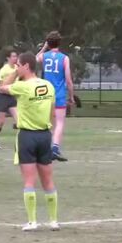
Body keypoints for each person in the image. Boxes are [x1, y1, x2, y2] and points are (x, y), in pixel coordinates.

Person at [0, 51, 59, 231]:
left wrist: (15, 74)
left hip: (27, 136)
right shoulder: (48, 85)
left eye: (19, 65)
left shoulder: (23, 87)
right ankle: (53, 220)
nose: (17, 67)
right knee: (48, 180)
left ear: (26, 66)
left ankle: (32, 221)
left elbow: (2, 87)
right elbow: (52, 112)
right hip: (45, 134)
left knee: (29, 181)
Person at [37, 31, 74, 162]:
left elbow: (36, 58)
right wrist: (72, 96)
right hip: (58, 95)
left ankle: (43, 148)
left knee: (47, 123)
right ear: (60, 42)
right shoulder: (64, 58)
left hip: (45, 94)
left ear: (48, 42)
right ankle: (55, 149)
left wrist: (44, 47)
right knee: (59, 123)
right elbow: (68, 80)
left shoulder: (44, 56)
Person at [0, 48, 19, 150]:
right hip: (2, 96)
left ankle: (19, 143)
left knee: (19, 120)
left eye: (16, 56)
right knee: (1, 122)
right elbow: (1, 86)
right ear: (8, 58)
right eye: (13, 56)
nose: (15, 58)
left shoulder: (17, 68)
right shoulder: (4, 70)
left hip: (12, 96)